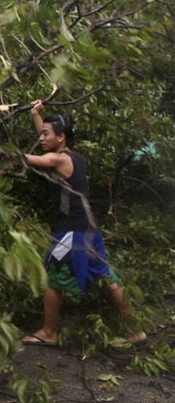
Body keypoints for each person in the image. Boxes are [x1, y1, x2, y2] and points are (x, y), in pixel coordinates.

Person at [21, 100, 146, 347]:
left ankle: (49, 331)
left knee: (52, 278)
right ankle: (136, 331)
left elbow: (29, 159)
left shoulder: (59, 160)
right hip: (88, 228)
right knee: (107, 276)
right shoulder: (73, 156)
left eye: (46, 134)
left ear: (61, 137)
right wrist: (36, 114)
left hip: (72, 231)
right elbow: (45, 139)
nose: (42, 138)